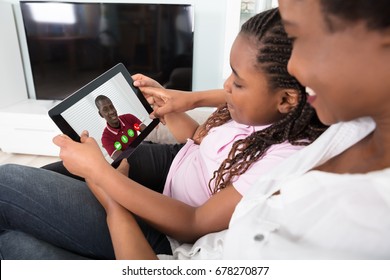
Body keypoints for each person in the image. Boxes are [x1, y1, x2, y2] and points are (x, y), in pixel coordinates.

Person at [0, 8, 327, 259]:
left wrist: (103, 176)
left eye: (238, 82)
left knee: (9, 188)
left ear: (287, 99)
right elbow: (201, 142)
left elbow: (194, 221)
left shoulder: (284, 158)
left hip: (169, 227)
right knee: (43, 184)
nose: (226, 86)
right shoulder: (258, 113)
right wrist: (173, 111)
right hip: (172, 167)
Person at [82, 0, 390, 259]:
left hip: (169, 237)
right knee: (67, 170)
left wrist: (108, 188)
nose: (294, 69)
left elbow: (193, 223)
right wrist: (191, 100)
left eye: (302, 38)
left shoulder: (345, 215)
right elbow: (254, 102)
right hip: (177, 172)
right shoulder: (351, 123)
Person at [95, 95, 146, 160]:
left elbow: (147, 131)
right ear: (101, 114)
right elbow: (122, 160)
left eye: (112, 107)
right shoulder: (106, 139)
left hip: (145, 151)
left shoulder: (129, 118)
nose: (111, 111)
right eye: (105, 110)